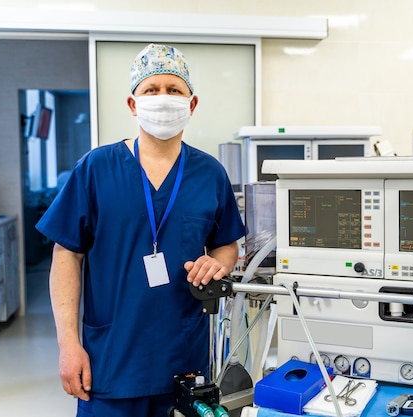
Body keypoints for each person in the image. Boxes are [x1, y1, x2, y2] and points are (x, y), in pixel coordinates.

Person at [36, 43, 245, 417]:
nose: (163, 99)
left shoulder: (210, 173)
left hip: (185, 366)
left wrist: (219, 264)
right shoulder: (96, 169)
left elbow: (226, 245)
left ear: (191, 104)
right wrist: (68, 344)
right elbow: (66, 254)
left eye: (174, 90)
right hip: (111, 364)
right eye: (151, 90)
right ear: (133, 104)